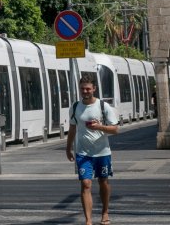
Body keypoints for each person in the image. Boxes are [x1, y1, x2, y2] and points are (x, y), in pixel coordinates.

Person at [66, 76, 120, 225]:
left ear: (94, 89)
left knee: (103, 182)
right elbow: (72, 129)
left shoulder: (103, 106)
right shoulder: (75, 107)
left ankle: (105, 212)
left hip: (102, 152)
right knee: (86, 183)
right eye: (82, 89)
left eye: (88, 89)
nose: (85, 91)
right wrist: (68, 148)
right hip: (83, 153)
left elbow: (115, 129)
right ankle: (88, 221)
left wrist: (99, 127)